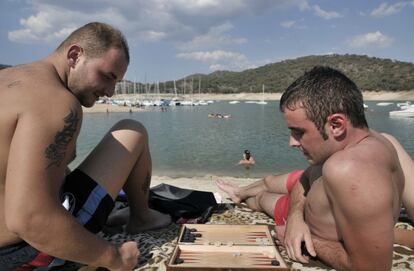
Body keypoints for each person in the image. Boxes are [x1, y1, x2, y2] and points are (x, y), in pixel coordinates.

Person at [0, 22, 170, 270]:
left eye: (117, 83)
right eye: (107, 76)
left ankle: (139, 215)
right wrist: (114, 258)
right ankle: (142, 217)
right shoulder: (56, 100)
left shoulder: (8, 78)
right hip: (20, 252)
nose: (111, 92)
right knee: (133, 131)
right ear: (74, 56)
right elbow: (29, 219)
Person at [277, 66, 404, 270]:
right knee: (264, 193)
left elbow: (373, 268)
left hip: (309, 223)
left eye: (298, 132)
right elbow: (305, 178)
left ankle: (242, 193)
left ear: (336, 125)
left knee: (263, 197)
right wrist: (294, 218)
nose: (292, 143)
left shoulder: (349, 168)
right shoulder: (379, 141)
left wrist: (306, 240)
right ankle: (241, 192)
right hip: (302, 210)